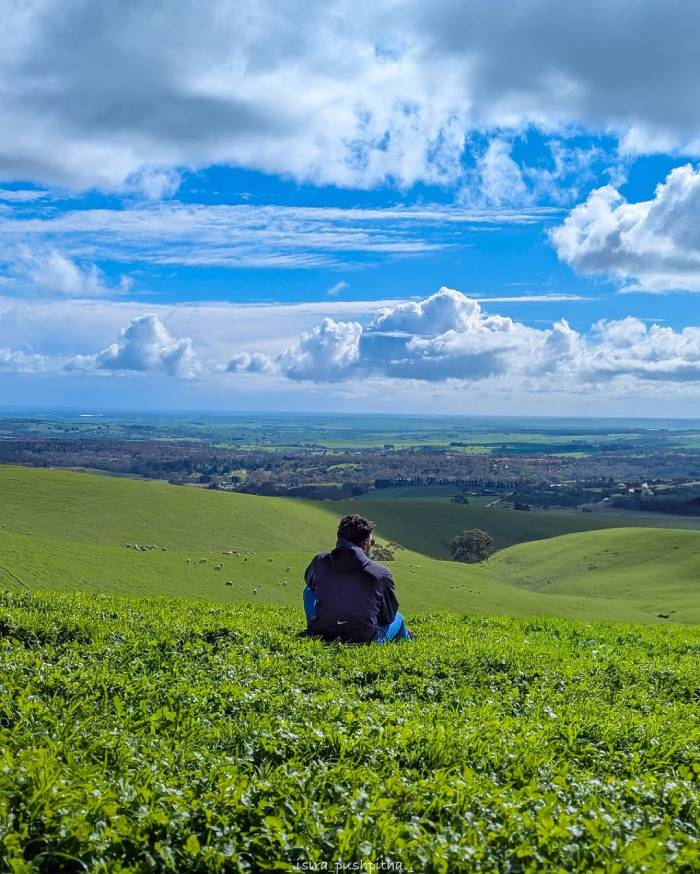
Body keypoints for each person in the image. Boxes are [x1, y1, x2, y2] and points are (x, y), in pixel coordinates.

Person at [302, 514, 413, 644]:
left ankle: (314, 627)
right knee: (399, 618)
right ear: (365, 545)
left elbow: (310, 585)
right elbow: (388, 616)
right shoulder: (380, 574)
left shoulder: (319, 561)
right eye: (371, 542)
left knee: (308, 591)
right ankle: (408, 643)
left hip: (322, 634)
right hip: (363, 640)